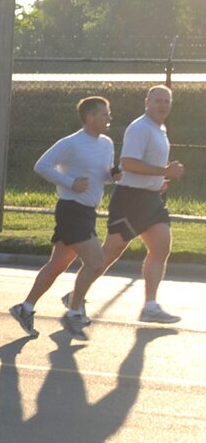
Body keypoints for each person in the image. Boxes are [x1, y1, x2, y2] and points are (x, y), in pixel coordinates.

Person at [64, 85, 184, 325]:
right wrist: (164, 171)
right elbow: (128, 163)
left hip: (151, 200)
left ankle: (150, 306)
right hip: (131, 199)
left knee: (161, 248)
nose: (163, 105)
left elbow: (144, 164)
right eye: (158, 100)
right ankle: (75, 296)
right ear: (147, 102)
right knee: (110, 252)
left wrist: (158, 181)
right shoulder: (140, 128)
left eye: (166, 101)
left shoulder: (159, 128)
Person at [8, 97, 117, 335]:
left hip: (88, 211)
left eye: (108, 113)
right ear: (89, 117)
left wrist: (113, 176)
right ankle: (74, 311)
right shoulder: (72, 143)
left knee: (58, 264)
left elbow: (102, 175)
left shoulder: (107, 143)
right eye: (104, 114)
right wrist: (69, 182)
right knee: (96, 263)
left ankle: (25, 308)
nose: (109, 117)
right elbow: (42, 165)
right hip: (71, 210)